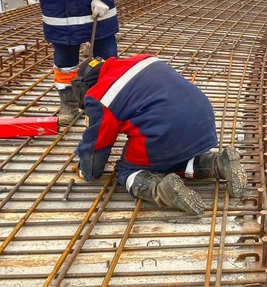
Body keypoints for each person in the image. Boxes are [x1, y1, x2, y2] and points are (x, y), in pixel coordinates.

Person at [71, 54, 248, 215]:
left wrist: (86, 169)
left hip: (164, 129)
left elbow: (97, 146)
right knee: (171, 159)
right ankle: (219, 164)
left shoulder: (100, 95)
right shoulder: (143, 59)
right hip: (203, 119)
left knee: (127, 171)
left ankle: (161, 190)